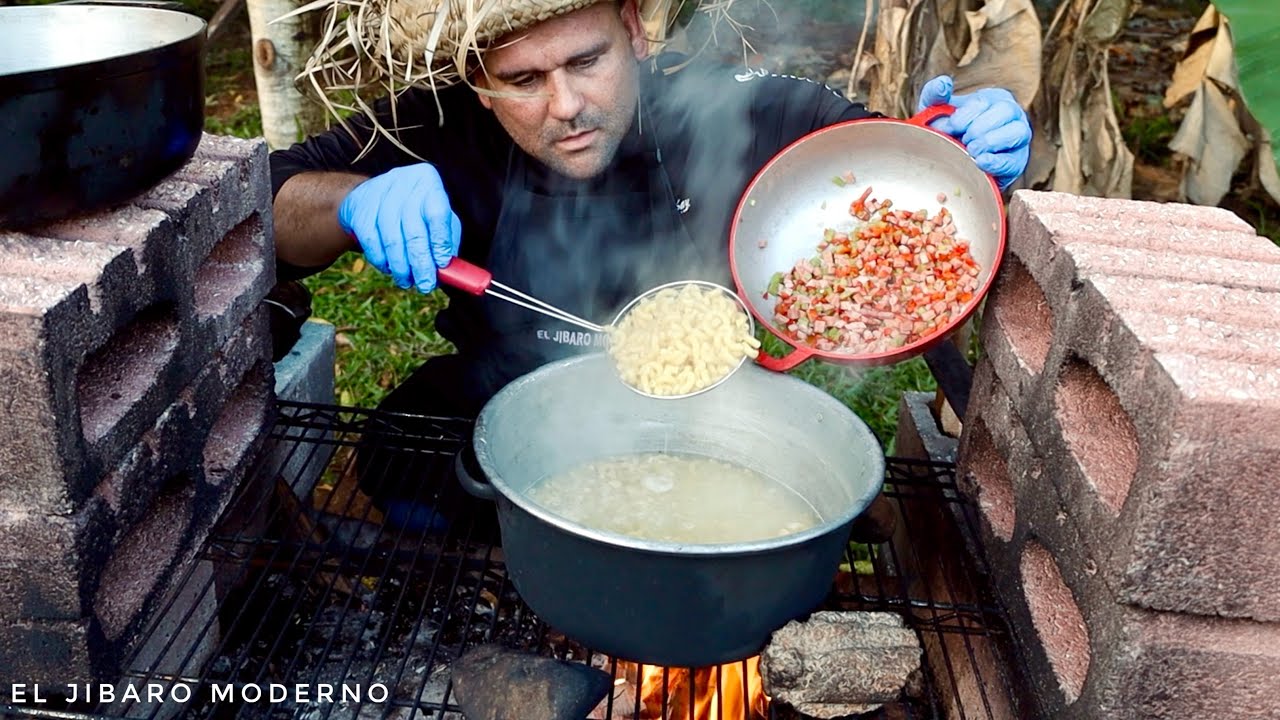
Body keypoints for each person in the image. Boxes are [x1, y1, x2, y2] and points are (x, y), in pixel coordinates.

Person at [269, 0, 1032, 531]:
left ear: (633, 28)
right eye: (524, 81)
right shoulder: (438, 123)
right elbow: (268, 209)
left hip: (724, 417)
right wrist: (350, 201)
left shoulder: (735, 106)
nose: (565, 105)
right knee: (402, 465)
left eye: (586, 60)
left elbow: (885, 171)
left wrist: (957, 154)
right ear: (477, 80)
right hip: (504, 397)